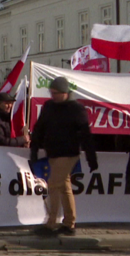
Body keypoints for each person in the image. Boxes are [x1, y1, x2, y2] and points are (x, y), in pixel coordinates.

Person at [31, 77, 98, 236]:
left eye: (56, 93)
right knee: (64, 186)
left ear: (65, 93)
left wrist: (91, 157)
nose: (52, 95)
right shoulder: (48, 106)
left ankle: (51, 223)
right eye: (51, 92)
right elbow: (39, 128)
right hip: (53, 152)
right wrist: (34, 150)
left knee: (53, 184)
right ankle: (69, 223)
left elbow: (85, 135)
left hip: (68, 153)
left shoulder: (76, 109)